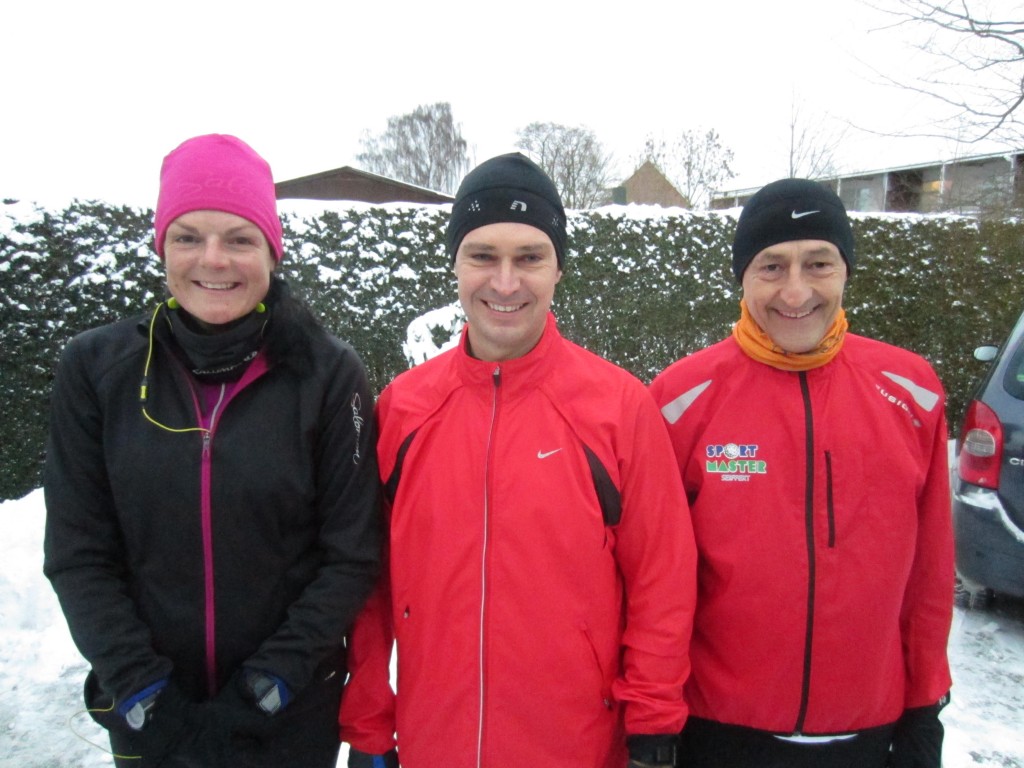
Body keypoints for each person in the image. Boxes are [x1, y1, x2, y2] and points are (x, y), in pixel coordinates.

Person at [338, 153, 697, 768]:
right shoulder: (404, 408)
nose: (505, 283)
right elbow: (369, 586)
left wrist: (654, 726)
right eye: (483, 256)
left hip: (575, 748)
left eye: (529, 257)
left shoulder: (618, 408)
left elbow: (661, 580)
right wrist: (370, 725)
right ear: (454, 263)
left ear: (558, 267)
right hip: (435, 745)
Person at [43, 134, 380, 767]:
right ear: (162, 247)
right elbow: (78, 552)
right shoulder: (97, 370)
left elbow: (350, 554)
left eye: (240, 238)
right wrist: (144, 691)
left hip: (285, 714)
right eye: (189, 236)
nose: (214, 260)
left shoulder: (329, 376)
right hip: (151, 716)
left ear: (272, 251)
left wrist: (265, 689)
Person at [649, 178, 954, 768]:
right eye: (771, 266)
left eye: (818, 263)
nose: (795, 291)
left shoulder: (911, 392)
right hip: (717, 730)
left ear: (845, 271)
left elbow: (930, 575)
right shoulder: (680, 398)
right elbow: (655, 582)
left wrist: (924, 708)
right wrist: (655, 718)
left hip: (869, 731)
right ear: (743, 276)